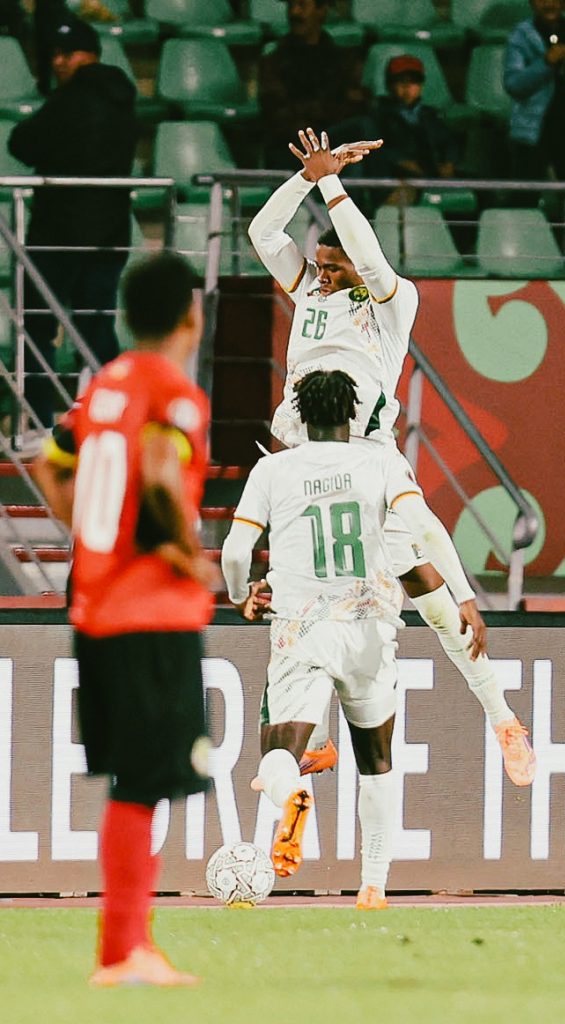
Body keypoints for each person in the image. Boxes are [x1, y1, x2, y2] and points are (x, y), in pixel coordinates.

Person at [247, 127, 536, 789]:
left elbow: (371, 266)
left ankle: (500, 717)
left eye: (333, 266)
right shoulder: (311, 295)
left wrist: (331, 181)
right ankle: (308, 739)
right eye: (319, 266)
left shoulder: (391, 302)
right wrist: (305, 179)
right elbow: (265, 234)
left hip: (369, 467)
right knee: (294, 601)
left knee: (433, 594)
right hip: (303, 468)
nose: (322, 274)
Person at [221, 369, 507, 907]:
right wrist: (463, 593)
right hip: (371, 627)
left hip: (302, 628)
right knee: (376, 760)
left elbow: (236, 552)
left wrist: (241, 595)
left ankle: (294, 797)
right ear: (352, 416)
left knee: (277, 755)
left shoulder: (273, 469)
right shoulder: (381, 462)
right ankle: (373, 885)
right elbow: (422, 527)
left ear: (300, 417)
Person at [34, 251, 216, 987]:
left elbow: (50, 465)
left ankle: (126, 946)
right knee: (147, 782)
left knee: (131, 783)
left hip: (97, 606)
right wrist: (183, 552)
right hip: (154, 613)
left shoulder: (101, 387)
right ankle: (124, 951)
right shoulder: (174, 392)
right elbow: (157, 467)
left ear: (120, 315)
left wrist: (94, 537)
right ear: (191, 317)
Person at [9, 15, 137, 439]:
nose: (58, 62)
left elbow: (22, 142)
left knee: (37, 328)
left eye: (66, 54)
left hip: (59, 234)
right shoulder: (123, 99)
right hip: (109, 235)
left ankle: (38, 421)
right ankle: (118, 418)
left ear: (86, 55)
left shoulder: (70, 100)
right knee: (96, 330)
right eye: (55, 55)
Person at [330, 54, 460, 208]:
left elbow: (448, 141)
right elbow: (379, 150)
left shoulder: (430, 115)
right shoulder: (379, 114)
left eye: (413, 82)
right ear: (390, 85)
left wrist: (449, 162)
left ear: (421, 85)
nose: (407, 88)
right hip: (397, 175)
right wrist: (401, 162)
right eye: (400, 82)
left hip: (431, 173)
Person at [257, 0, 367, 170]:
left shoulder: (340, 60)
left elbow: (356, 102)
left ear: (321, 11)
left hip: (332, 140)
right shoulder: (274, 61)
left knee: (361, 134)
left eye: (301, 5)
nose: (294, 13)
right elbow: (278, 115)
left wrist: (317, 109)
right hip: (294, 147)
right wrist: (326, 108)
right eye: (291, 6)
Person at [504, 0, 565, 188]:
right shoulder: (520, 35)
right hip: (532, 130)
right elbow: (514, 85)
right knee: (524, 196)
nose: (549, 4)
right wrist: (545, 64)